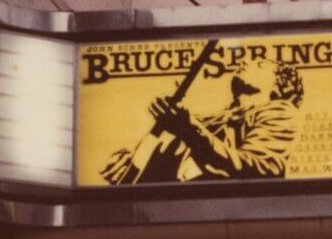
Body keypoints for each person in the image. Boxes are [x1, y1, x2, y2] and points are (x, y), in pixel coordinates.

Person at [100, 59, 304, 184]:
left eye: (260, 65)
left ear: (279, 88)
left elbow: (255, 169)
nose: (246, 62)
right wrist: (131, 160)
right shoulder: (213, 119)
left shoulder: (281, 111)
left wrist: (187, 127)